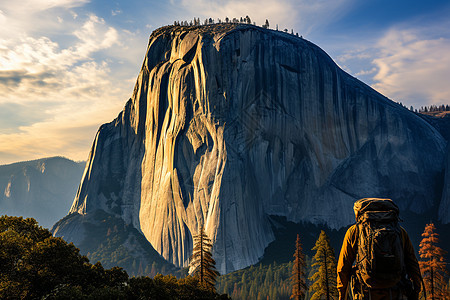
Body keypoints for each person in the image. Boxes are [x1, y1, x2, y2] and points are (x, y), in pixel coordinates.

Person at [337, 198, 422, 300]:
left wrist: (342, 295)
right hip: (396, 292)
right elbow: (412, 264)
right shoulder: (400, 232)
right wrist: (416, 291)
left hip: (366, 293)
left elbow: (343, 268)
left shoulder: (354, 232)